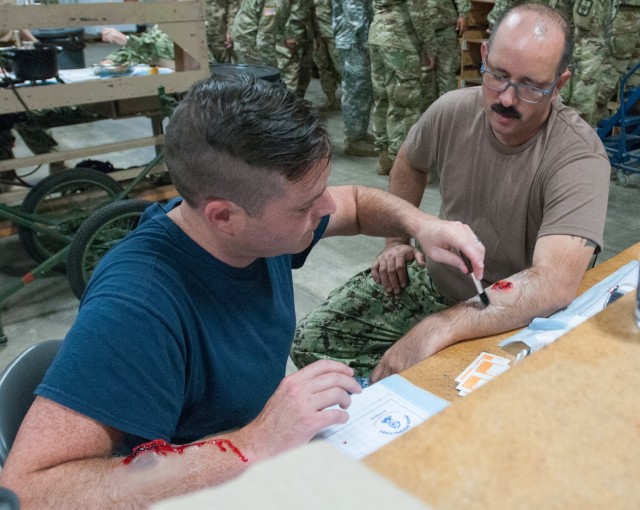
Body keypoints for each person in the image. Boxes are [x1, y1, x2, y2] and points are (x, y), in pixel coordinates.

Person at [0, 73, 485, 508]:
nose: (326, 207)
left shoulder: (256, 226)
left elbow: (356, 204)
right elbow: (31, 491)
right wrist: (253, 443)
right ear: (224, 216)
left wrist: (421, 224)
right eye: (303, 207)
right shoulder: (137, 308)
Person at [292, 4, 611, 383]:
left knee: (473, 399)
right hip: (435, 281)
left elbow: (551, 283)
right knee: (312, 343)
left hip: (511, 314)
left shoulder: (578, 157)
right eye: (498, 76)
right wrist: (395, 241)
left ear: (558, 85)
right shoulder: (453, 111)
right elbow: (409, 161)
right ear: (484, 56)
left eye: (530, 86)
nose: (506, 99)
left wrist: (439, 328)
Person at [368, 0, 435, 175]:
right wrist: (430, 46)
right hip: (400, 38)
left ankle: (384, 158)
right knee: (405, 103)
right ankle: (403, 166)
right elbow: (418, 10)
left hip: (377, 34)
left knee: (382, 96)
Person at [333, 0, 377, 157]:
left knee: (362, 90)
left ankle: (360, 133)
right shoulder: (359, 37)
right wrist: (366, 40)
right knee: (355, 90)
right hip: (355, 42)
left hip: (355, 40)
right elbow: (353, 10)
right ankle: (353, 140)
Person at [420, 0, 470, 111]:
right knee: (425, 76)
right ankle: (426, 118)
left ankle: (448, 114)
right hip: (421, 30)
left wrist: (463, 14)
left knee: (447, 74)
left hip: (445, 26)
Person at [312, 0, 342, 111]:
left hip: (333, 34)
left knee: (341, 67)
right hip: (317, 35)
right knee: (323, 67)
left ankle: (352, 100)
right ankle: (330, 99)